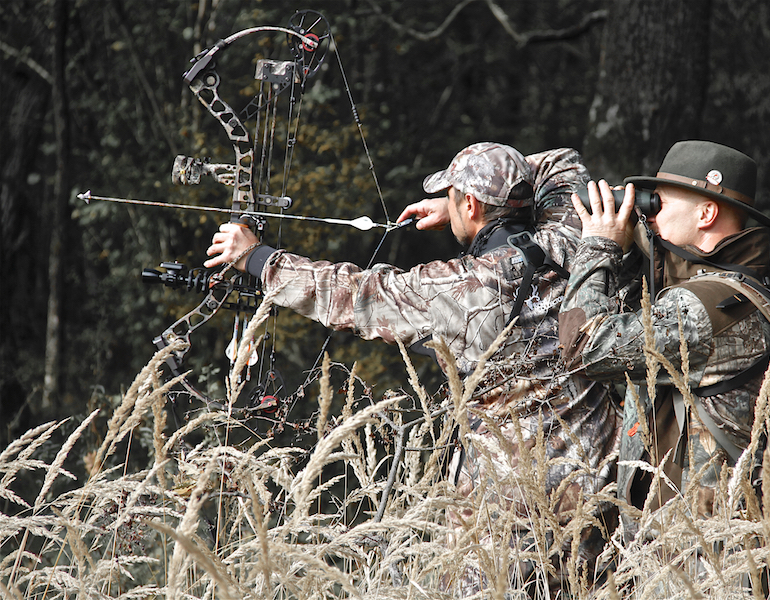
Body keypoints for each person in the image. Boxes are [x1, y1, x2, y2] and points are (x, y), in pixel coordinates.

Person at [206, 142, 621, 596]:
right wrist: (474, 197)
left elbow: (357, 294)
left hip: (508, 509)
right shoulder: (573, 231)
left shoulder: (465, 287)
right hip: (595, 484)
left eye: (456, 195)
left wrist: (257, 259)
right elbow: (563, 160)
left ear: (472, 203)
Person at [559, 140, 770, 540]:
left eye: (657, 202)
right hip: (690, 543)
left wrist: (599, 245)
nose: (647, 213)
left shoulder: (709, 307)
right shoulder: (752, 285)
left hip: (697, 554)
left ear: (707, 212)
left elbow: (582, 346)